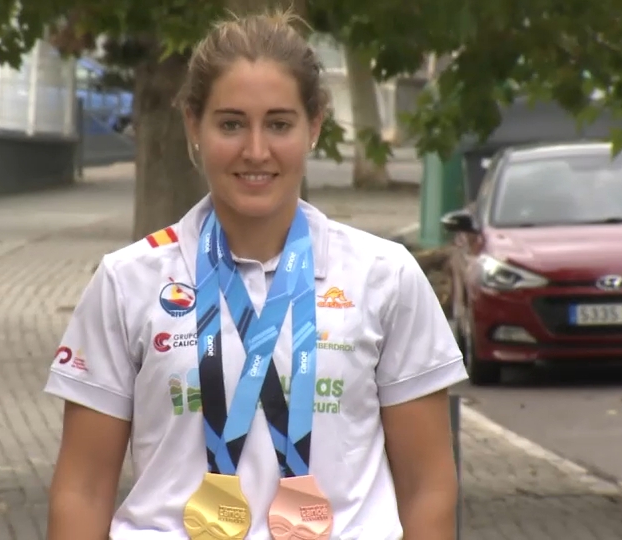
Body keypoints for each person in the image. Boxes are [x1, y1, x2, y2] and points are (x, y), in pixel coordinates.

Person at [43, 8, 467, 540]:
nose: (257, 151)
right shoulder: (128, 280)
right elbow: (82, 490)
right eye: (231, 124)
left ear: (314, 126)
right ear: (192, 124)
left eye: (280, 123)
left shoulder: (385, 276)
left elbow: (428, 487)